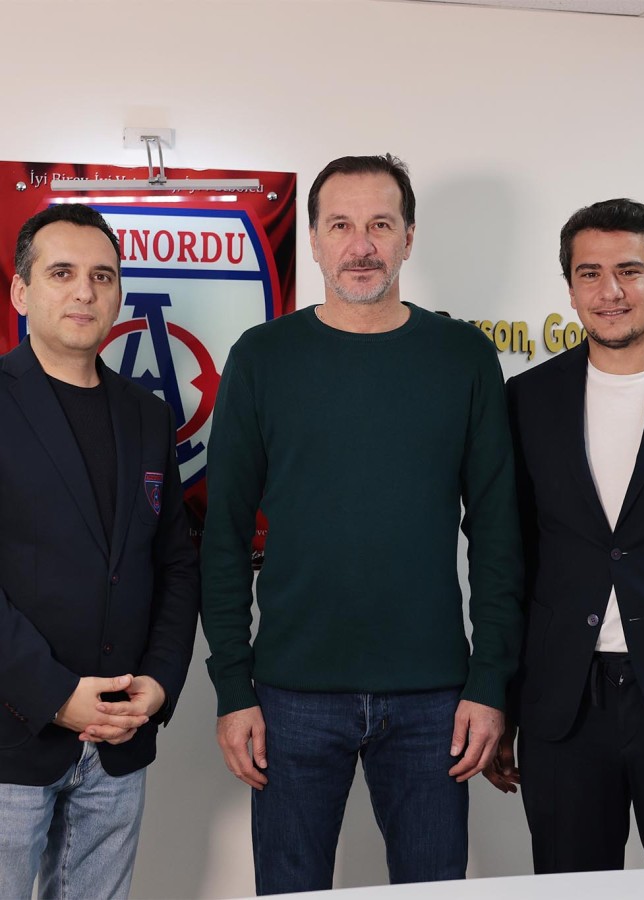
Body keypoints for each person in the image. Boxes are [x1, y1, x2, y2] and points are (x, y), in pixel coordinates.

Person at [201, 153, 523, 894]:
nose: (361, 245)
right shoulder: (263, 357)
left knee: (432, 888)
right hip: (289, 694)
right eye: (340, 225)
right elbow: (223, 538)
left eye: (380, 224)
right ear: (313, 241)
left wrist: (490, 681)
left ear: (409, 237)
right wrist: (233, 688)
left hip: (435, 697)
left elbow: (499, 535)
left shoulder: (464, 357)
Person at [493, 198, 644, 872]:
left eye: (629, 271)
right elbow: (511, 558)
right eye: (589, 273)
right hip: (565, 705)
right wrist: (503, 699)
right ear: (570, 288)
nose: (609, 291)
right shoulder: (527, 399)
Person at [0, 203, 199, 899]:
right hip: (11, 740)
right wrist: (56, 696)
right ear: (21, 291)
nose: (84, 291)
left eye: (102, 275)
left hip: (119, 741)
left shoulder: (147, 415)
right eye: (62, 273)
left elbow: (174, 562)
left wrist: (160, 681)